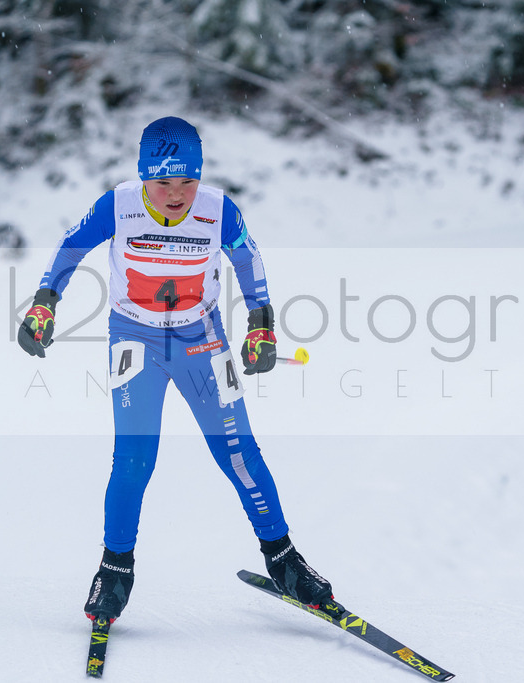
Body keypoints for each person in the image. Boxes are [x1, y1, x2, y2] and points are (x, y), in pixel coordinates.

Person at [17, 116, 341, 623]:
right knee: (134, 459)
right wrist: (45, 301)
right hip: (135, 339)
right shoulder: (118, 206)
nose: (176, 194)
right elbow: (71, 246)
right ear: (144, 176)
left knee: (238, 452)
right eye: (164, 181)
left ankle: (284, 561)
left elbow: (248, 261)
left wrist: (261, 325)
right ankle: (114, 569)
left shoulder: (218, 210)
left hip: (202, 340)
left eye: (188, 180)